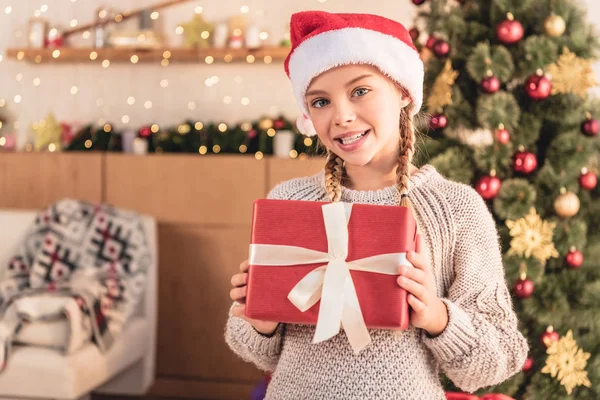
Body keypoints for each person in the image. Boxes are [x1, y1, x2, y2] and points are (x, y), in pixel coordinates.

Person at [226, 10, 529, 399]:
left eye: (360, 91)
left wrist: (438, 317)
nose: (342, 116)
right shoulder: (289, 202)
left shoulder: (457, 209)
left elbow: (501, 355)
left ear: (403, 91)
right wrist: (258, 318)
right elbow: (254, 350)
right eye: (320, 101)